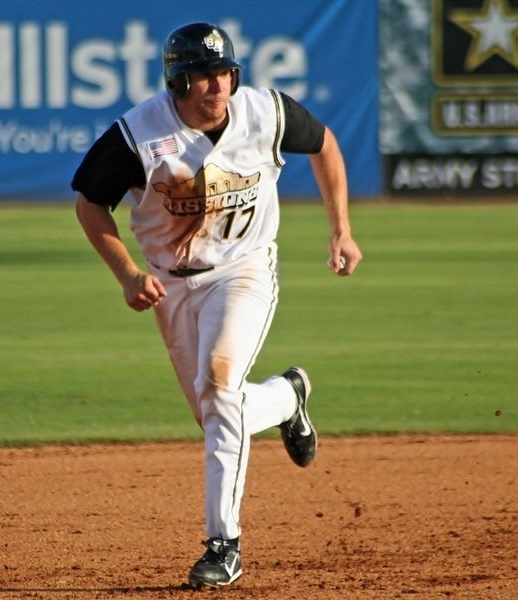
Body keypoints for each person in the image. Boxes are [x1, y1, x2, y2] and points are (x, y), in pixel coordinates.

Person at [71, 22, 362, 589]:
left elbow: (324, 143)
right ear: (178, 82)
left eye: (224, 72)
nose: (217, 85)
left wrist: (341, 230)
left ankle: (223, 545)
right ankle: (286, 397)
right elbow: (90, 205)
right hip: (170, 284)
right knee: (215, 413)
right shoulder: (139, 134)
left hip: (244, 269)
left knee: (219, 383)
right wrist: (128, 274)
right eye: (202, 75)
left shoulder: (266, 113)